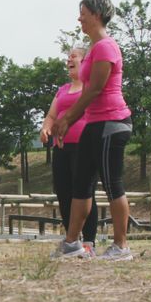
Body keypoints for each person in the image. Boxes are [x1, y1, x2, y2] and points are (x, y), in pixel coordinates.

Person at [52, 0, 133, 261]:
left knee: (113, 185)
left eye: (83, 14)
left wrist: (67, 118)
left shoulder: (106, 47)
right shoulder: (92, 50)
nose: (79, 19)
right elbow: (87, 89)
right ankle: (72, 242)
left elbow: (96, 88)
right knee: (81, 185)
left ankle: (121, 247)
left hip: (112, 122)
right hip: (95, 123)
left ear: (96, 15)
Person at [40, 46, 98, 256]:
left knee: (84, 192)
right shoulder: (63, 89)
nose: (69, 60)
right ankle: (72, 242)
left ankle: (89, 242)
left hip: (85, 146)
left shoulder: (90, 87)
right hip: (61, 147)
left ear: (86, 62)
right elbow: (51, 115)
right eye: (68, 57)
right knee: (64, 193)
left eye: (74, 56)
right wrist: (46, 128)